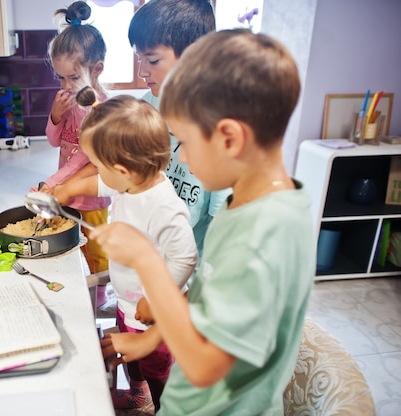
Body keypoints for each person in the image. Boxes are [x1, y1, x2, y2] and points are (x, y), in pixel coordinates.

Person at [97, 29, 316, 415]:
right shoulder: (246, 204)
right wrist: (151, 341)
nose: (181, 160)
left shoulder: (266, 235)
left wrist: (147, 260)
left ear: (229, 138)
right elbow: (207, 303)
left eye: (186, 143)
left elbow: (206, 367)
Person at [52, 87, 198, 411]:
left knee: (158, 370)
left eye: (98, 165)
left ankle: (160, 402)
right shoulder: (130, 181)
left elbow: (186, 257)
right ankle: (138, 388)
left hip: (154, 314)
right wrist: (66, 189)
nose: (97, 174)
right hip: (128, 300)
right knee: (133, 358)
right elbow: (98, 184)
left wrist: (157, 299)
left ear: (121, 170)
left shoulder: (163, 206)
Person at [128, 0, 231, 259]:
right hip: (151, 239)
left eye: (151, 60)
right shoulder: (145, 107)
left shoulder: (217, 116)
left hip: (192, 256)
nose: (142, 71)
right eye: (139, 58)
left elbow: (222, 210)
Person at [39, 0, 111, 306]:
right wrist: (55, 115)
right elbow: (55, 142)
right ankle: (79, 290)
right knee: (71, 243)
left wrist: (55, 182)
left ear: (96, 70)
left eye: (73, 77)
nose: (66, 86)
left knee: (96, 248)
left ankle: (99, 296)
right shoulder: (67, 101)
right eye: (60, 78)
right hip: (66, 191)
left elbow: (85, 155)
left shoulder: (99, 107)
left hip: (90, 192)